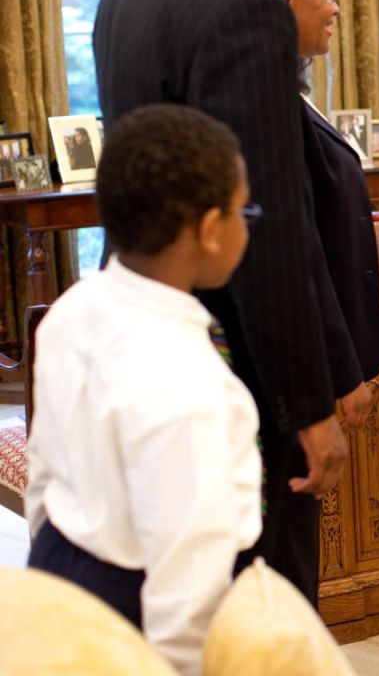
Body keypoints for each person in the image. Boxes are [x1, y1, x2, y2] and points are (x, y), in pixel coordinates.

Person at [94, 0, 349, 603]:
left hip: (140, 320)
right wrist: (309, 404)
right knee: (263, 593)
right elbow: (266, 220)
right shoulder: (245, 0)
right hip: (230, 353)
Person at [25, 104, 261, 676]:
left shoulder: (72, 310)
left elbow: (42, 472)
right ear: (209, 230)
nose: (247, 224)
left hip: (59, 566)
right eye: (243, 210)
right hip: (135, 609)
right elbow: (188, 580)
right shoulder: (191, 383)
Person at [268, 0, 379, 439]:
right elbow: (298, 250)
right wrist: (340, 369)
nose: (336, 9)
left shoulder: (291, 89)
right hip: (309, 368)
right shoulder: (268, 103)